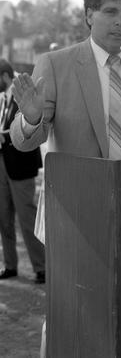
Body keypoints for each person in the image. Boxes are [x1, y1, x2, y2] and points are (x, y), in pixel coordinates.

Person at [10, 0, 121, 357]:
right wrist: (31, 118)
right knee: (74, 314)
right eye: (110, 12)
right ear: (88, 15)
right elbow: (23, 139)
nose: (120, 21)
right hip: (75, 215)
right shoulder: (56, 63)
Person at [0, 59, 45, 284]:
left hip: (20, 166)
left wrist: (5, 136)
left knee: (27, 220)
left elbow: (30, 125)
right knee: (3, 219)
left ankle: (42, 267)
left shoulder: (22, 93)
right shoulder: (3, 97)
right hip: (2, 164)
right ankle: (10, 265)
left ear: (5, 76)